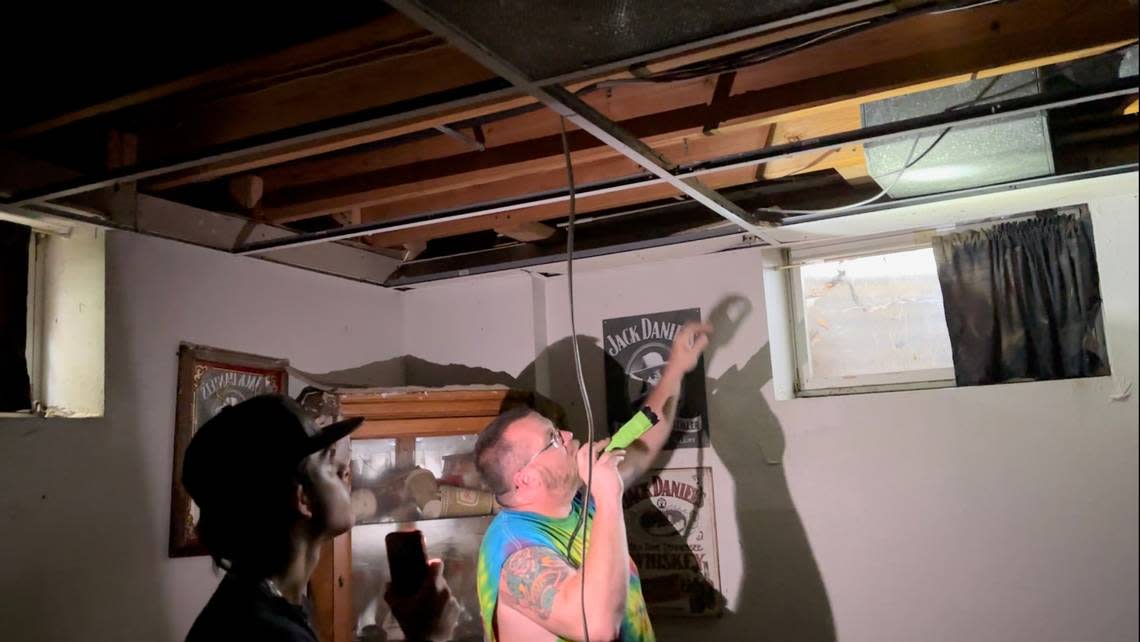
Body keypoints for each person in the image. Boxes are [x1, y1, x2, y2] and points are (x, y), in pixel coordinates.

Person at [474, 321, 712, 642]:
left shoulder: (577, 502)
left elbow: (641, 447)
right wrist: (608, 493)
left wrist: (675, 369)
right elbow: (595, 628)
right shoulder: (515, 548)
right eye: (554, 439)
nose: (570, 435)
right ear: (526, 479)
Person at [182, 393, 457, 641]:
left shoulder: (262, 602)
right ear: (302, 498)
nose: (344, 475)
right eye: (328, 464)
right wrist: (429, 636)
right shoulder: (271, 632)